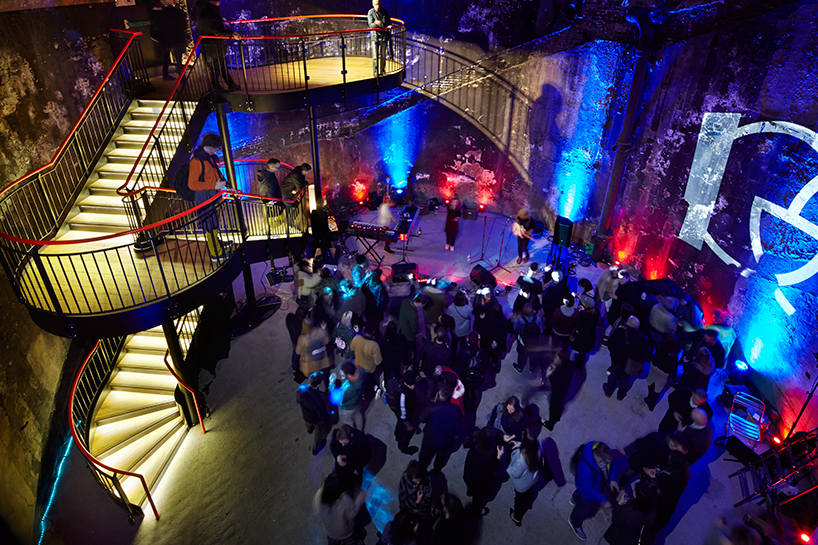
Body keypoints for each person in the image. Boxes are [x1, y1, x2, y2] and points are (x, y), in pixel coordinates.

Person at [188, 133, 230, 262]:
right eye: (217, 148)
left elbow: (215, 171)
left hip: (214, 195)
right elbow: (192, 184)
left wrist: (226, 185)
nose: (217, 150)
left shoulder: (208, 157)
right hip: (206, 197)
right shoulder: (197, 161)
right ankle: (215, 253)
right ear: (211, 147)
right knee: (210, 226)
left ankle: (217, 244)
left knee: (215, 223)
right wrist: (214, 184)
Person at [570, 441, 615, 542]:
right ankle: (574, 522)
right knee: (583, 510)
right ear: (599, 459)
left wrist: (613, 479)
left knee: (578, 494)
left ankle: (574, 499)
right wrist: (603, 500)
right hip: (587, 494)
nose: (607, 464)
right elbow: (588, 489)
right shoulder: (586, 469)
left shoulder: (600, 454)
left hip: (585, 485)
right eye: (606, 462)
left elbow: (608, 469)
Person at [195, 0, 241, 91]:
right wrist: (232, 33)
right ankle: (216, 87)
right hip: (215, 45)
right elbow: (218, 31)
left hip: (207, 44)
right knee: (217, 67)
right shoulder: (212, 12)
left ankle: (229, 84)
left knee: (220, 66)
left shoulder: (203, 11)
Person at [603, 316, 651, 400]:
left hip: (617, 360)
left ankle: (608, 391)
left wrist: (613, 354)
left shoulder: (619, 331)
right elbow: (644, 354)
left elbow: (610, 343)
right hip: (631, 364)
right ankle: (621, 395)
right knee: (625, 378)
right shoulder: (643, 338)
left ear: (628, 323)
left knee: (613, 374)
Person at [419, 382, 462, 474]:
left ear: (439, 392)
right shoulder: (454, 409)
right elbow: (458, 426)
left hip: (430, 439)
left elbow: (422, 419)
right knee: (441, 458)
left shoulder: (432, 407)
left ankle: (422, 468)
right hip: (445, 442)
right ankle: (437, 470)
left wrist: (431, 404)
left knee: (424, 456)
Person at [314, 473, 367, 545]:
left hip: (330, 531)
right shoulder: (345, 500)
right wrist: (361, 495)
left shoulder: (319, 496)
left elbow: (317, 510)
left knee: (331, 539)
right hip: (345, 533)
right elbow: (353, 513)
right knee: (351, 540)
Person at [623, 432, 689, 487]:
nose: (679, 456)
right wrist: (626, 450)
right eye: (679, 453)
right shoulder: (656, 438)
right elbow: (640, 442)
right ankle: (619, 487)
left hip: (649, 471)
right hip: (637, 462)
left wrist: (656, 470)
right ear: (675, 445)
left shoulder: (671, 453)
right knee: (627, 476)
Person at [463, 427, 503, 517]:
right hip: (479, 484)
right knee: (478, 499)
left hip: (468, 474)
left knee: (471, 486)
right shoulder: (488, 456)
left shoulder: (475, 442)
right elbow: (489, 472)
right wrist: (498, 458)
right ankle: (476, 511)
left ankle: (469, 492)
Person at [603, 480, 657, 545]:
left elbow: (616, 521)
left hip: (622, 539)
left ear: (637, 496)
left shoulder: (628, 511)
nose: (633, 491)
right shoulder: (653, 512)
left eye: (634, 490)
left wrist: (619, 504)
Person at [507, 430, 541, 526]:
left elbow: (514, 473)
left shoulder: (520, 459)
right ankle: (528, 503)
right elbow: (529, 446)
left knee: (519, 499)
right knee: (529, 491)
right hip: (533, 478)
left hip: (521, 485)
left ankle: (517, 517)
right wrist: (519, 444)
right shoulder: (537, 445)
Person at [652, 451, 690, 534]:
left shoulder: (672, 483)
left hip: (660, 513)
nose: (667, 462)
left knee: (650, 531)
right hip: (665, 512)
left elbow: (664, 498)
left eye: (669, 461)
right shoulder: (681, 476)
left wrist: (655, 480)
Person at [150, 0, 188, 81]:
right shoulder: (178, 12)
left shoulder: (160, 14)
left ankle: (165, 75)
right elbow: (184, 26)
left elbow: (157, 27)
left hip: (165, 39)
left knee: (165, 58)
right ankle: (182, 77)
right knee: (179, 59)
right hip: (177, 38)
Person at [644, 331, 681, 411]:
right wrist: (673, 375)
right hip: (663, 373)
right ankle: (652, 404)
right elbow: (674, 366)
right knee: (658, 389)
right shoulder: (674, 354)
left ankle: (648, 397)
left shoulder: (659, 344)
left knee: (650, 381)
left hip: (654, 366)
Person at [297, 371, 332, 454]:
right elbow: (322, 416)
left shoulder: (301, 389)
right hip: (316, 420)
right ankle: (315, 448)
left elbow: (297, 400)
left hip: (306, 416)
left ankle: (309, 429)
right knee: (318, 434)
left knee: (308, 423)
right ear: (318, 385)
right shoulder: (319, 400)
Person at [455, 332, 488, 414]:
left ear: (467, 340)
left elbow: (458, 366)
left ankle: (465, 406)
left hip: (465, 377)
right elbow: (486, 366)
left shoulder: (462, 353)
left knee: (465, 393)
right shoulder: (483, 352)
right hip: (477, 378)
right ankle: (473, 407)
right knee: (475, 393)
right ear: (477, 341)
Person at [349, 321, 383, 397]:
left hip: (358, 364)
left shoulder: (357, 338)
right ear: (374, 332)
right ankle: (372, 389)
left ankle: (364, 394)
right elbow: (378, 362)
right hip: (369, 369)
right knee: (369, 380)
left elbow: (351, 348)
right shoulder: (374, 345)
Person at [542, 355, 573, 431]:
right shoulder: (569, 368)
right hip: (563, 390)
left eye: (556, 358)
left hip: (557, 391)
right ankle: (558, 416)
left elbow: (554, 383)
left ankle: (550, 424)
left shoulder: (559, 373)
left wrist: (549, 374)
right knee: (559, 403)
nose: (554, 359)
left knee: (553, 407)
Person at [390, 371, 418, 455]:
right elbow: (402, 413)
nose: (413, 386)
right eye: (411, 385)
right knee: (404, 432)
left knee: (399, 426)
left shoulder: (404, 383)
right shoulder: (403, 395)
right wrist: (408, 424)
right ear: (405, 383)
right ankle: (403, 448)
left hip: (405, 414)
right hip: (405, 417)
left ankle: (397, 436)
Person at [333, 361, 367, 431]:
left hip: (348, 408)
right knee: (358, 415)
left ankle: (352, 433)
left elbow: (340, 399)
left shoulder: (349, 388)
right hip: (357, 403)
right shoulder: (360, 373)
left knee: (348, 422)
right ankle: (360, 430)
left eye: (342, 372)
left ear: (348, 375)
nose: (340, 373)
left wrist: (332, 385)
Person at [295, 316, 331, 381]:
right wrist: (324, 330)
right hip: (321, 358)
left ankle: (314, 384)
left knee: (312, 375)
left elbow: (298, 351)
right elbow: (326, 341)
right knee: (322, 370)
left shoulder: (302, 338)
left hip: (310, 361)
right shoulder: (320, 331)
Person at [571, 290, 600, 370]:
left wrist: (580, 312)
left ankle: (579, 364)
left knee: (582, 350)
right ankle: (579, 357)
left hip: (584, 337)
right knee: (582, 351)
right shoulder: (596, 312)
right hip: (591, 334)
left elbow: (583, 327)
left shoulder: (586, 316)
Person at [477, 300, 509, 370]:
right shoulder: (504, 320)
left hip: (487, 341)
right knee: (495, 355)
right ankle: (494, 363)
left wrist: (481, 319)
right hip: (497, 343)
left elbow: (482, 329)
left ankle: (486, 364)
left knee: (486, 354)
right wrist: (496, 341)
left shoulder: (487, 318)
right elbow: (504, 333)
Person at [513, 303, 543, 374]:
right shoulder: (537, 319)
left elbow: (516, 329)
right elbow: (541, 330)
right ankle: (531, 368)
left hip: (523, 342)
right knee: (533, 355)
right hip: (535, 342)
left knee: (522, 356)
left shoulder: (520, 320)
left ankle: (520, 368)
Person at [551, 293, 580, 364]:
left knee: (554, 344)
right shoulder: (576, 313)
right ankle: (563, 358)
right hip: (567, 334)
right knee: (565, 346)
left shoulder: (558, 311)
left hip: (557, 332)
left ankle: (553, 356)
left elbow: (552, 322)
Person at [286, 304, 310, 382]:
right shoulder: (304, 328)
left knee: (295, 354)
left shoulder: (289, 317)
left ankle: (294, 367)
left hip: (294, 340)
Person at [367, 0, 392, 75]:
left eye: (378, 5)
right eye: (375, 5)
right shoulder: (371, 12)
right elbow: (370, 25)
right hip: (375, 37)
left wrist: (389, 26)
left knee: (383, 55)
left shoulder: (385, 12)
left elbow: (389, 22)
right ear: (373, 4)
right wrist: (376, 23)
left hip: (384, 36)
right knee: (375, 56)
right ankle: (375, 72)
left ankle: (382, 71)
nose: (377, 7)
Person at [447, 291, 472, 356]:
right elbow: (471, 307)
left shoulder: (451, 308)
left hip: (454, 330)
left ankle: (453, 355)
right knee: (463, 344)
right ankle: (463, 356)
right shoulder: (468, 309)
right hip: (464, 330)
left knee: (454, 343)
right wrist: (468, 298)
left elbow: (452, 305)